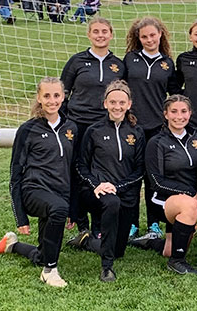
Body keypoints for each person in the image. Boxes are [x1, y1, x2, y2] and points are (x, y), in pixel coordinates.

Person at [0, 77, 77, 288]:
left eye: (56, 95)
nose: (52, 100)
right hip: (33, 191)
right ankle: (50, 272)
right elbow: (15, 174)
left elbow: (73, 170)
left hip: (60, 193)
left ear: (63, 97)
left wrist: (74, 209)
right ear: (39, 98)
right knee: (58, 209)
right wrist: (21, 217)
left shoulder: (71, 128)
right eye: (46, 96)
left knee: (43, 253)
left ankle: (12, 245)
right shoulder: (28, 130)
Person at [69, 80, 145, 282]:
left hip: (125, 193)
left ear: (129, 104)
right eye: (112, 102)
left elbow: (140, 170)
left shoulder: (137, 132)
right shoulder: (93, 131)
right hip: (96, 193)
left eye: (122, 102)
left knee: (117, 249)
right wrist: (97, 184)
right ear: (105, 103)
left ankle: (87, 240)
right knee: (111, 202)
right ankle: (107, 268)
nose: (117, 107)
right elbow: (80, 166)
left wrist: (118, 187)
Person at [61, 17, 125, 235]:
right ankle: (80, 223)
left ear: (111, 34)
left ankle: (98, 223)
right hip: (78, 124)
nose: (100, 35)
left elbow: (122, 94)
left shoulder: (118, 64)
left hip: (103, 126)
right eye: (96, 31)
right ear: (89, 34)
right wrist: (67, 119)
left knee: (98, 172)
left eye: (105, 31)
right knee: (78, 171)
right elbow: (63, 92)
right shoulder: (77, 61)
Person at [133, 95, 197, 274]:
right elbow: (156, 182)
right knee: (189, 206)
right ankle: (177, 261)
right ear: (165, 114)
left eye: (183, 111)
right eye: (173, 111)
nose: (179, 116)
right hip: (162, 199)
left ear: (190, 113)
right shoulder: (157, 142)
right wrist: (189, 193)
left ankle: (149, 241)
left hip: (189, 199)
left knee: (167, 249)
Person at [123, 16, 180, 240]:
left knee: (154, 177)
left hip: (157, 128)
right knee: (132, 176)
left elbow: (175, 94)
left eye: (152, 35)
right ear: (138, 38)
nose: (149, 40)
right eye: (144, 36)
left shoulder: (168, 63)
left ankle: (155, 224)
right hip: (132, 127)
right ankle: (131, 224)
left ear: (160, 35)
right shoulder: (129, 59)